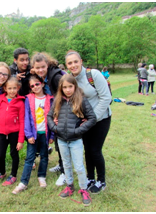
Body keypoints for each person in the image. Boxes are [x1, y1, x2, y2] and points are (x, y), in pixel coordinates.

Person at [65, 50, 111, 194]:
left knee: (95, 150)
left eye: (75, 61)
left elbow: (106, 98)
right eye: (69, 63)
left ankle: (101, 180)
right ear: (67, 65)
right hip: (83, 121)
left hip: (101, 118)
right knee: (87, 149)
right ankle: (90, 177)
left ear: (81, 61)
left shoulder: (94, 75)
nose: (73, 65)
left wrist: (92, 119)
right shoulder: (71, 80)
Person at [47, 74, 96, 206]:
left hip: (76, 140)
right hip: (61, 140)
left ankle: (83, 189)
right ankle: (69, 185)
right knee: (66, 164)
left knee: (79, 167)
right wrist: (55, 129)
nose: (68, 90)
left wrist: (78, 131)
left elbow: (92, 118)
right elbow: (49, 116)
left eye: (70, 86)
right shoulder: (58, 100)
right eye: (65, 87)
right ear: (61, 88)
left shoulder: (82, 100)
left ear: (75, 86)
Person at [12, 74, 54, 194]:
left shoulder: (50, 99)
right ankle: (23, 182)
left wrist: (51, 136)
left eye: (37, 84)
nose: (35, 87)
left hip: (45, 134)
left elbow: (53, 117)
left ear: (42, 84)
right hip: (33, 135)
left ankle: (42, 176)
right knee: (30, 158)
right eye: (32, 85)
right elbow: (26, 119)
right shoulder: (28, 99)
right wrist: (29, 135)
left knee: (44, 156)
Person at [31, 52, 66, 186]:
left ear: (48, 65)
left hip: (62, 113)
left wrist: (59, 115)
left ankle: (64, 172)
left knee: (63, 143)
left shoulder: (55, 77)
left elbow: (64, 96)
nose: (40, 70)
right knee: (58, 143)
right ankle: (60, 165)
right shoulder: (44, 76)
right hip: (55, 113)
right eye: (37, 68)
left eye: (42, 67)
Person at [0, 77, 25, 186]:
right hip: (2, 133)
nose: (12, 91)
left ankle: (13, 175)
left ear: (18, 88)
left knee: (14, 154)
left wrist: (21, 140)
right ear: (5, 88)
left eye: (14, 88)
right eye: (10, 88)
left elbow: (22, 122)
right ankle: (2, 173)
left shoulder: (20, 103)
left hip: (15, 133)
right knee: (0, 155)